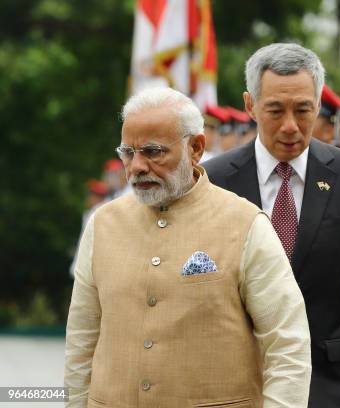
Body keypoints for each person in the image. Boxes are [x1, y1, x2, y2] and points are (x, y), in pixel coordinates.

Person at [64, 87, 312, 408]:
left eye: (153, 152)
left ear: (195, 147)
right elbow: (81, 343)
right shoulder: (103, 224)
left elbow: (288, 346)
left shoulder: (245, 223)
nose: (137, 166)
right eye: (128, 152)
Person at [203, 42, 340, 408]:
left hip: (331, 387)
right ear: (250, 105)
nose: (291, 126)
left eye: (303, 110)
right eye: (275, 110)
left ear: (319, 104)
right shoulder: (213, 181)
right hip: (236, 388)